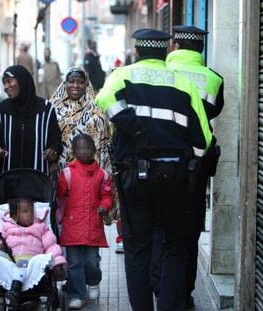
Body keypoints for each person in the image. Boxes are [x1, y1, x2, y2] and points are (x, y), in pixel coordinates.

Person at [95, 28, 212, 311]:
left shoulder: (121, 77)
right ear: (166, 51)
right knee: (174, 248)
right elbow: (203, 141)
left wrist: (134, 129)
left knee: (137, 251)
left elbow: (104, 100)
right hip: (175, 181)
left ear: (137, 51)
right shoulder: (183, 84)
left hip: (135, 178)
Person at [165, 25, 224, 309]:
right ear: (200, 48)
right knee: (188, 235)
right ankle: (185, 293)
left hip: (160, 163)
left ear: (174, 44)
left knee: (159, 231)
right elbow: (214, 112)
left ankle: (161, 289)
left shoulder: (160, 71)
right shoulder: (213, 79)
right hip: (195, 168)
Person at [0, 197, 66, 305]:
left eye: (32, 211)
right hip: (11, 260)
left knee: (23, 262)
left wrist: (57, 264)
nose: (31, 214)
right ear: (14, 216)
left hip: (31, 262)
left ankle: (15, 289)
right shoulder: (7, 227)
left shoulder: (41, 227)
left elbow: (51, 246)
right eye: (26, 211)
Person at [56, 134, 114, 310]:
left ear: (94, 150)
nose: (83, 151)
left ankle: (94, 280)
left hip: (92, 226)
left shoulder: (102, 175)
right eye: (79, 148)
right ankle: (76, 294)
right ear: (73, 152)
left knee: (91, 261)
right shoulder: (67, 173)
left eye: (87, 148)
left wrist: (105, 206)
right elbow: (59, 194)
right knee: (74, 263)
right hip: (72, 226)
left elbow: (107, 195)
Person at [0, 65, 62, 176]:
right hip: (8, 180)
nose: (6, 87)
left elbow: (56, 140)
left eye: (9, 81)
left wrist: (53, 150)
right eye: (4, 83)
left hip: (38, 180)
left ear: (22, 81)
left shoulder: (45, 109)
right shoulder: (2, 109)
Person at [50, 67, 110, 172]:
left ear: (86, 85)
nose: (75, 86)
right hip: (59, 170)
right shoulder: (53, 108)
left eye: (80, 82)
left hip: (88, 174)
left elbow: (102, 146)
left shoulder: (96, 112)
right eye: (71, 81)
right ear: (65, 83)